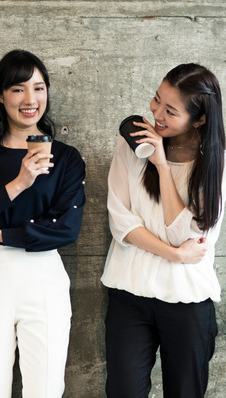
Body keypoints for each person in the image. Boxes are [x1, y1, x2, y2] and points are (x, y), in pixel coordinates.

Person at [0, 50, 85, 397]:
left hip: (44, 274)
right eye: (18, 89)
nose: (30, 99)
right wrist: (19, 183)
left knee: (47, 388)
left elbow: (66, 227)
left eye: (39, 88)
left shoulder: (66, 158)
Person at [101, 64, 224, 397]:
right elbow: (121, 223)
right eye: (156, 100)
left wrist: (160, 165)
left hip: (187, 299)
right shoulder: (132, 143)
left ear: (199, 120)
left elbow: (183, 234)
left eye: (170, 111)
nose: (156, 112)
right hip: (129, 294)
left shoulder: (217, 164)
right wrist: (173, 255)